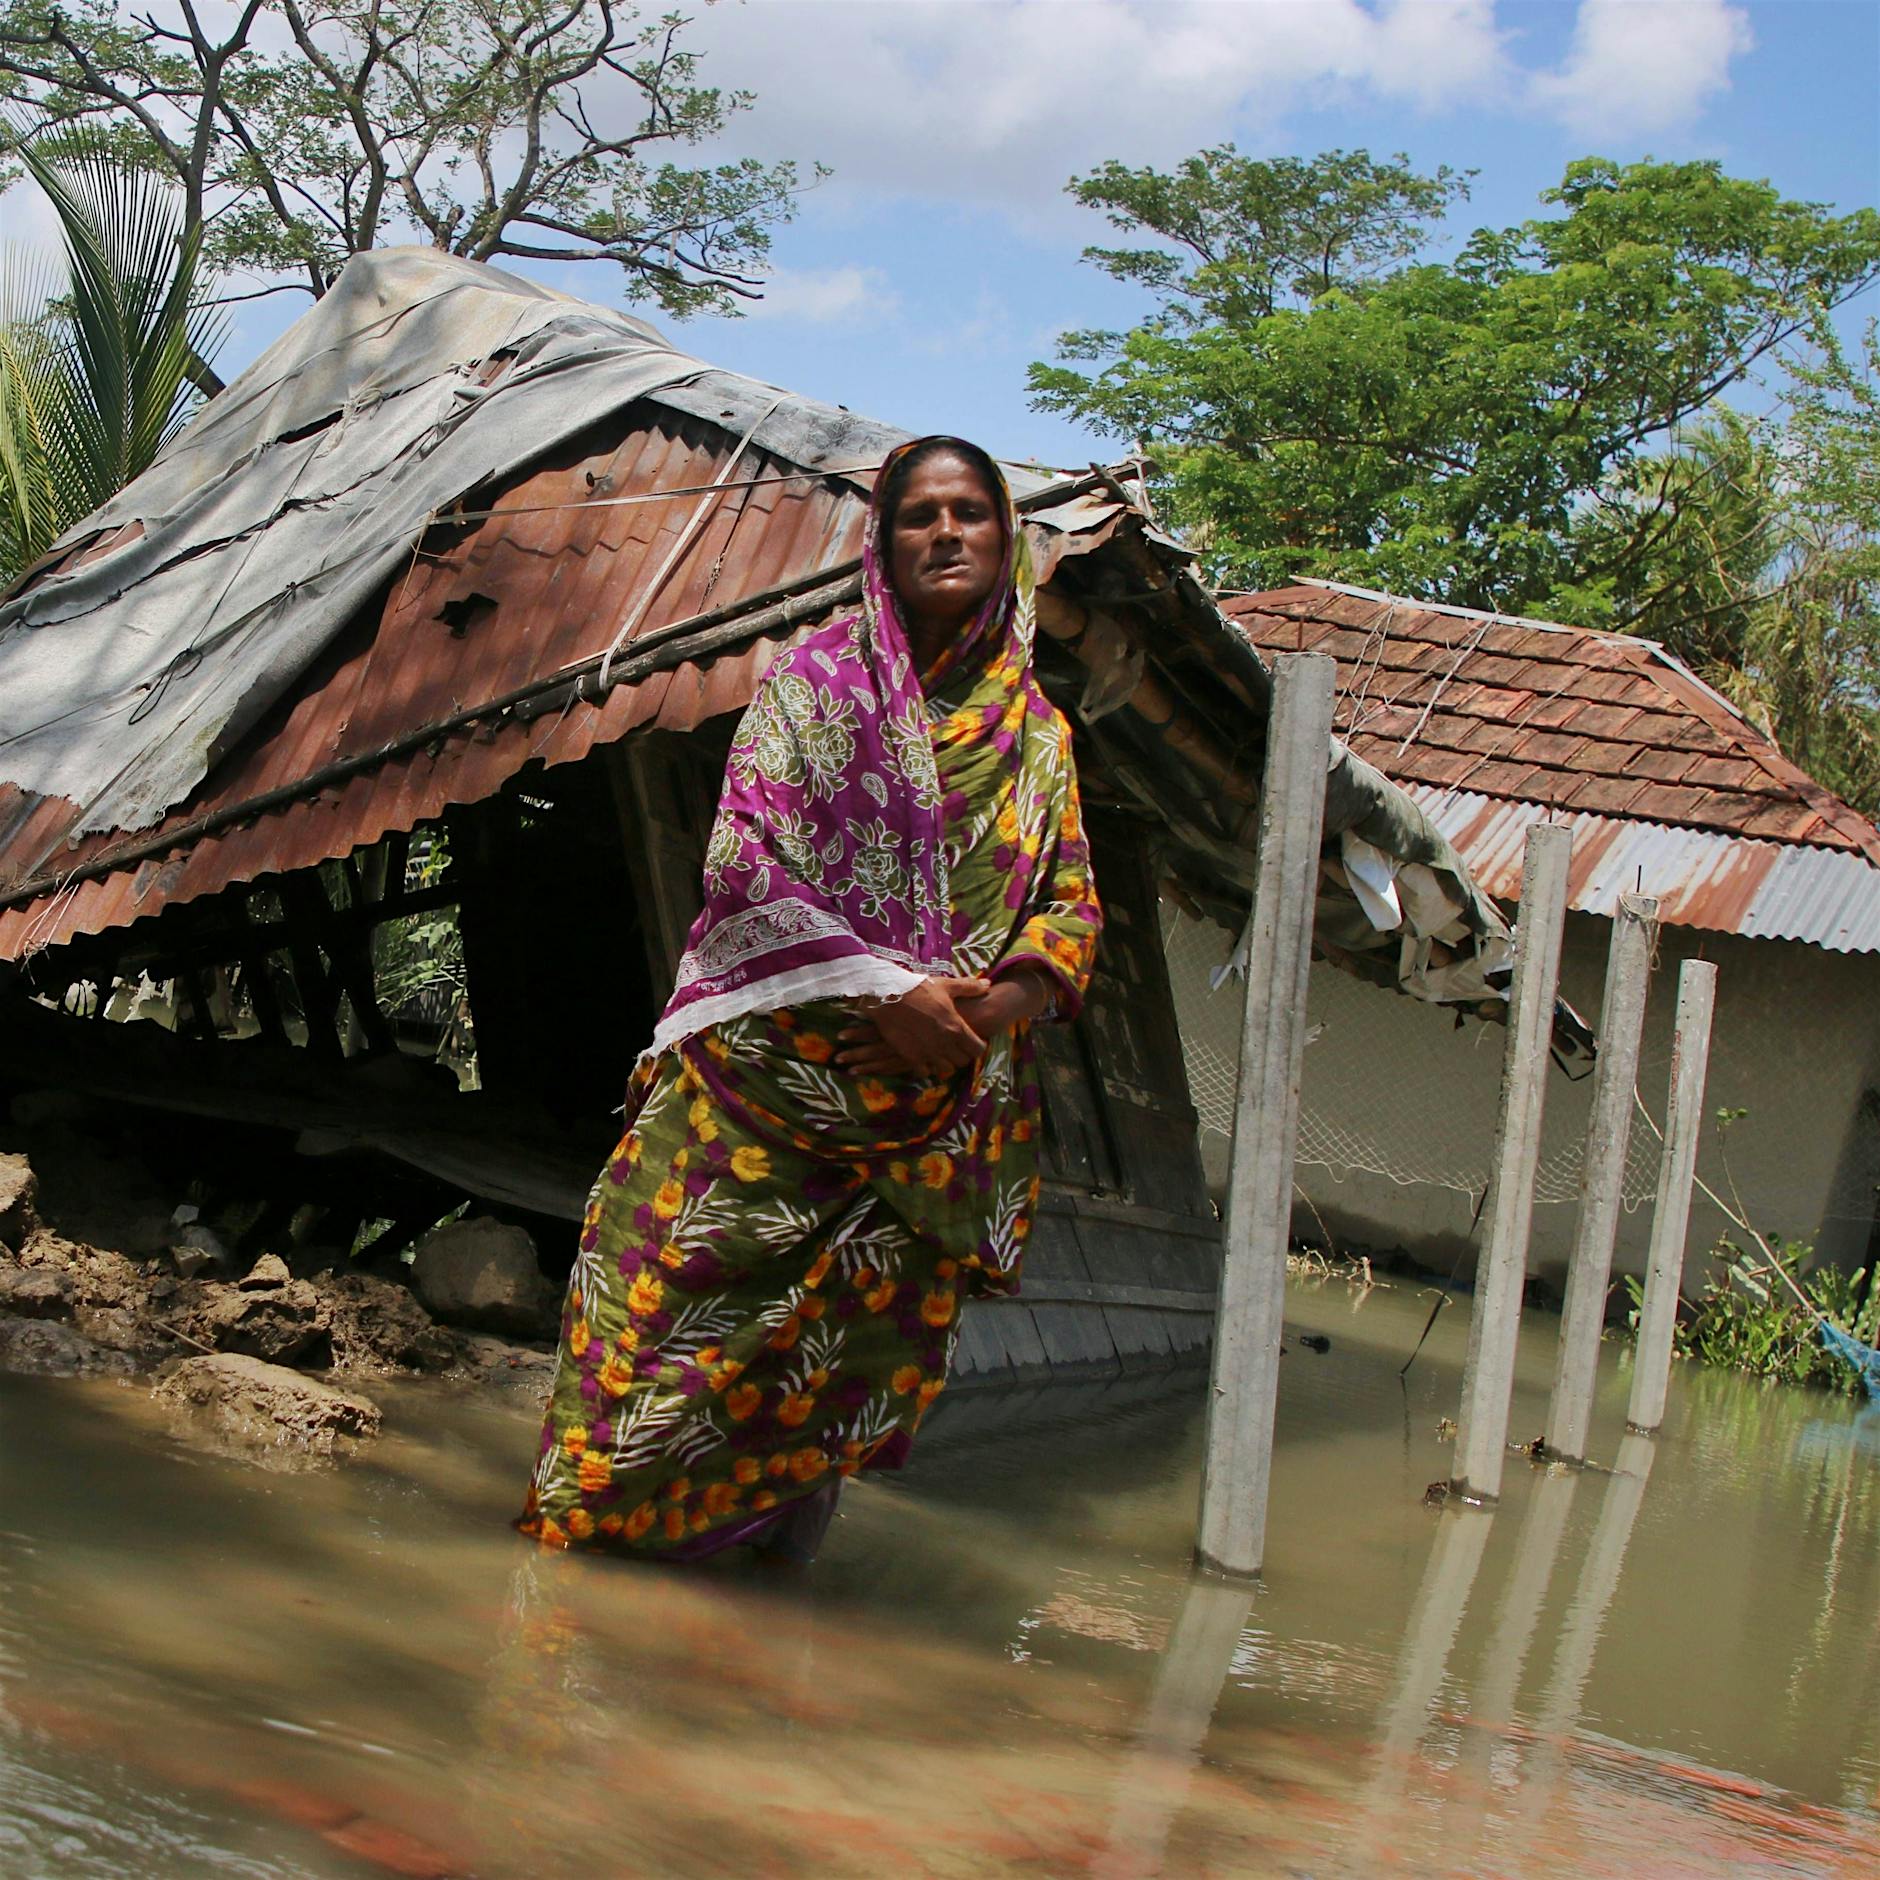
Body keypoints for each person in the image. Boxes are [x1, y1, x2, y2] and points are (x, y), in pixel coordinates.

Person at [516, 435, 1102, 1562]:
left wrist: (979, 1016)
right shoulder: (811, 684)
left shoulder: (1034, 737)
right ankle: (575, 1584)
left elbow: (1068, 905)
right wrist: (885, 991)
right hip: (763, 1094)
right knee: (648, 1319)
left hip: (930, 1110)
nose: (945, 533)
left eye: (969, 513)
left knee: (826, 1377)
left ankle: (743, 1611)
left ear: (1005, 540)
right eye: (919, 515)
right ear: (882, 541)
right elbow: (745, 861)